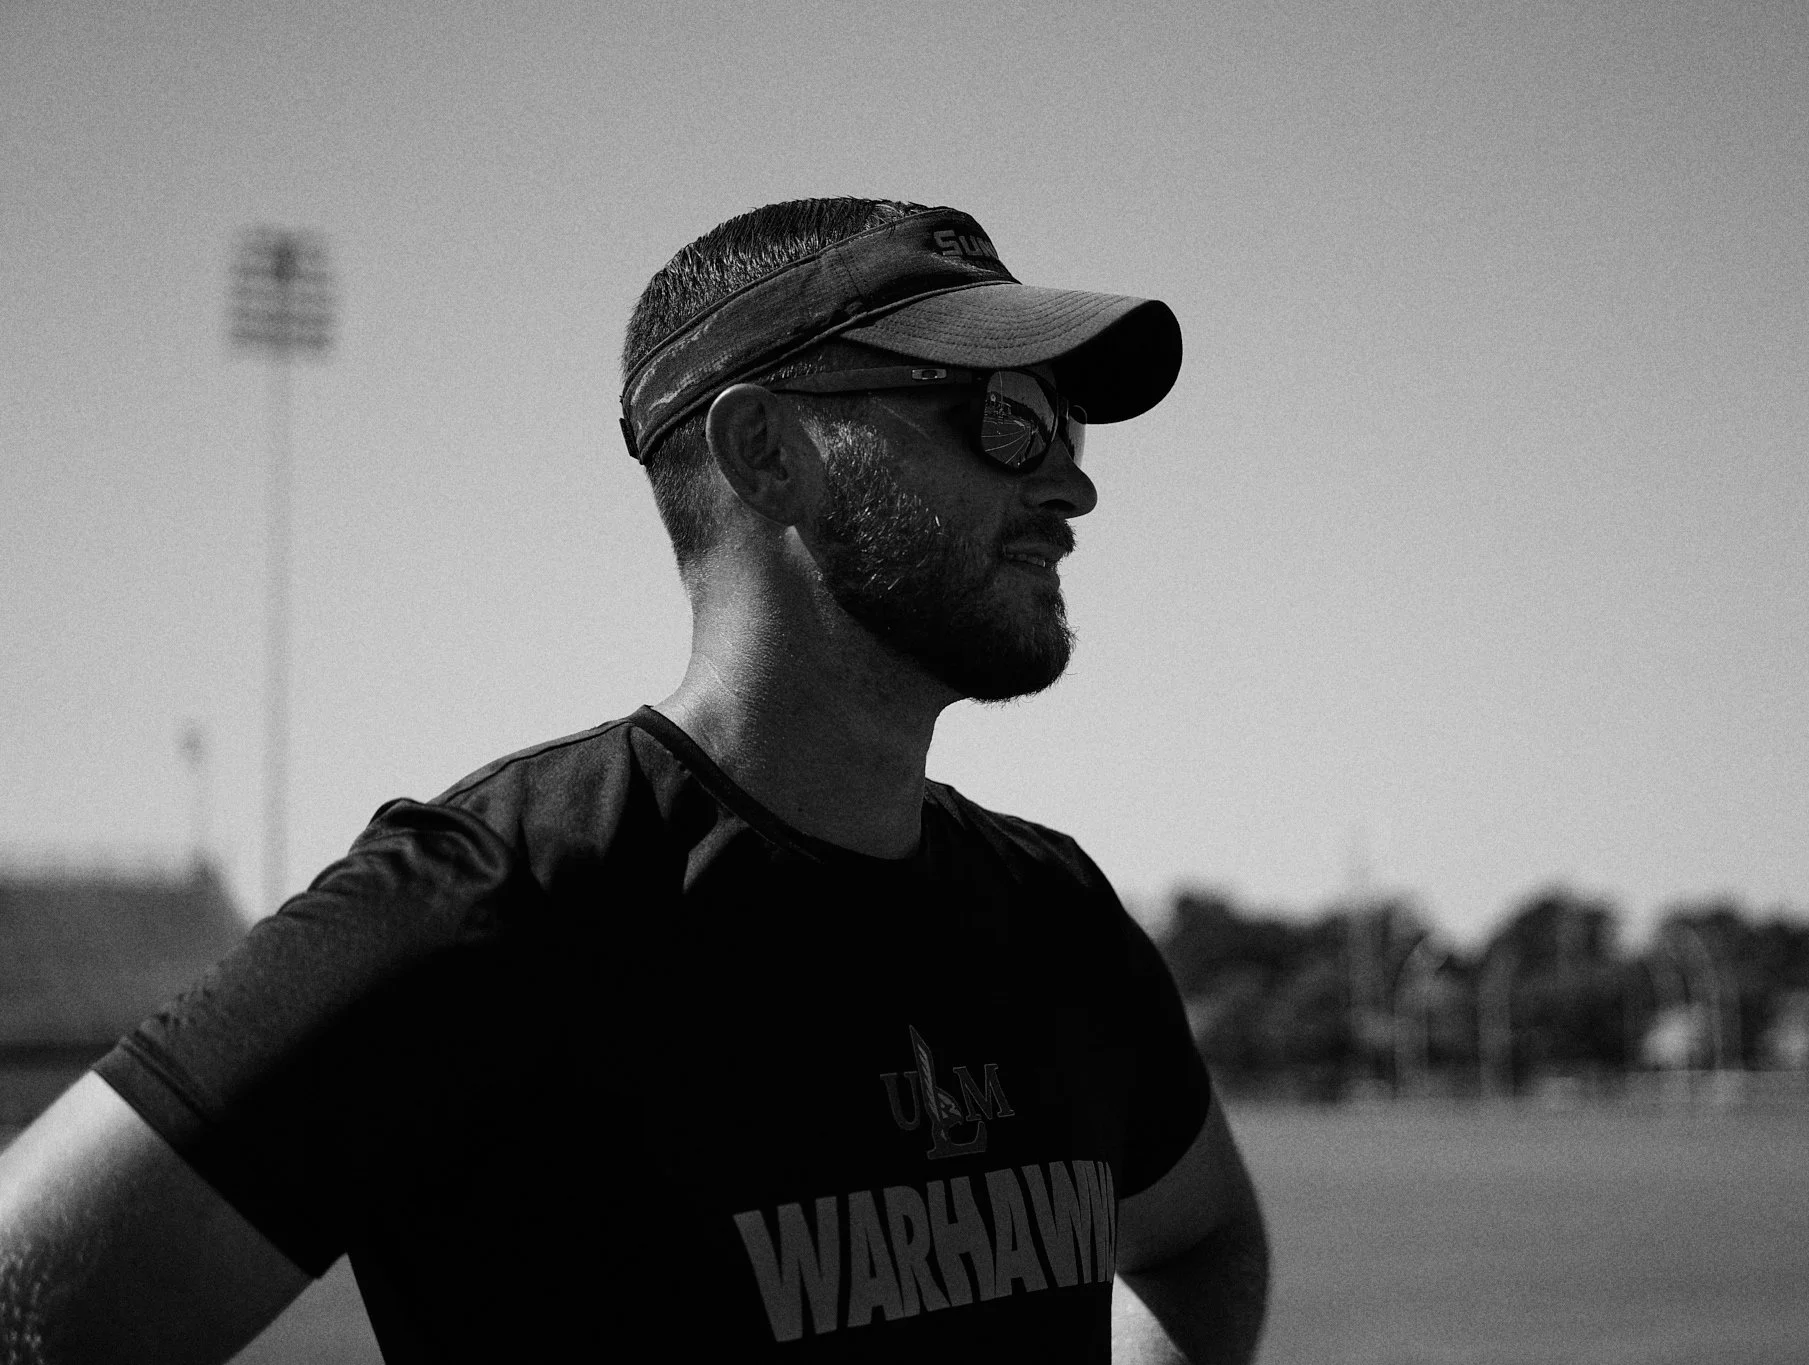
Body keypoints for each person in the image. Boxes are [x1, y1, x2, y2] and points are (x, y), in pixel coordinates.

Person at [0, 197, 1268, 1363]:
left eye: (1065, 421)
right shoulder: (495, 905)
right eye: (1004, 414)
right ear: (766, 449)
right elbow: (31, 1302)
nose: (1070, 480)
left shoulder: (1057, 919)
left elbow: (1201, 1238)